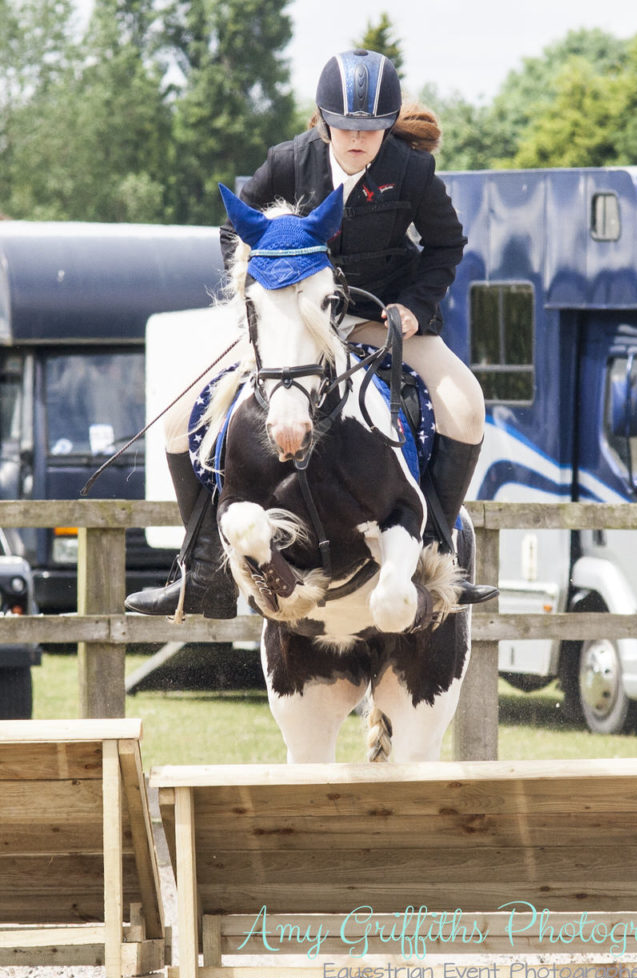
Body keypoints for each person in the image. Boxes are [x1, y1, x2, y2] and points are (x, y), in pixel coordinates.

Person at [125, 48, 496, 618]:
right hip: (296, 321)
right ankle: (201, 571)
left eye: (370, 129)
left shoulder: (411, 172)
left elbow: (447, 245)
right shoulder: (287, 162)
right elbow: (235, 231)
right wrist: (265, 285)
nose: (357, 139)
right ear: (323, 121)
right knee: (179, 423)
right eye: (345, 127)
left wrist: (414, 308)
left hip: (377, 318)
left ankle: (434, 552)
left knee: (467, 405)